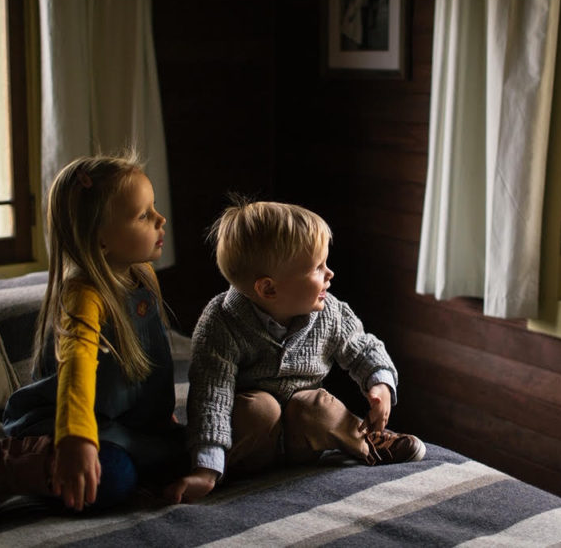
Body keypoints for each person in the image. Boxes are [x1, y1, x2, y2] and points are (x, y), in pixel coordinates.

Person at [0, 151, 185, 531]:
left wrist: (156, 416)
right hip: (66, 422)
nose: (160, 219)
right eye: (143, 215)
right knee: (112, 478)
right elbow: (78, 368)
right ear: (100, 241)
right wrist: (76, 439)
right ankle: (2, 466)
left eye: (153, 209)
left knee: (194, 453)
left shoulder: (141, 277)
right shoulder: (83, 295)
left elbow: (150, 361)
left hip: (124, 425)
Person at [165, 199, 425, 503]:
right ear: (269, 289)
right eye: (318, 268)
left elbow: (362, 346)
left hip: (303, 435)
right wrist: (205, 469)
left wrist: (379, 383)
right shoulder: (221, 323)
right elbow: (211, 395)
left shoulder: (330, 312)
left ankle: (365, 442)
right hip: (251, 437)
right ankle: (223, 467)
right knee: (260, 409)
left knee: (318, 406)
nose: (330, 274)